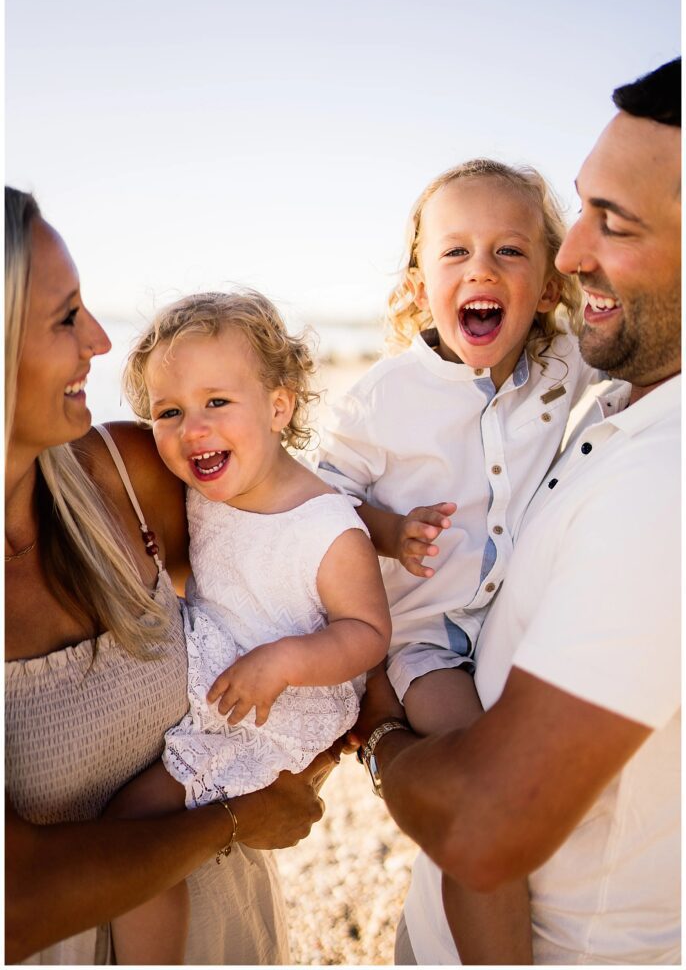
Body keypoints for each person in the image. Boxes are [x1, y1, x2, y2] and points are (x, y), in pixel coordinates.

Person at [350, 56, 681, 964]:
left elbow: (485, 827)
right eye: (581, 212)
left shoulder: (665, 477)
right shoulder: (617, 393)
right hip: (431, 924)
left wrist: (377, 729)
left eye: (611, 223)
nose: (574, 253)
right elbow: (322, 490)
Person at [5, 188, 337, 965]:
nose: (97, 340)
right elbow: (10, 905)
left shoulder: (130, 476)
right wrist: (235, 820)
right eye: (64, 318)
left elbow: (302, 557)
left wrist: (360, 716)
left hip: (224, 937)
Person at [317, 157, 600, 962]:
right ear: (417, 283)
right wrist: (383, 526)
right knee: (478, 797)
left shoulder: (560, 365)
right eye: (456, 252)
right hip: (429, 638)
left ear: (548, 285)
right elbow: (320, 500)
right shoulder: (384, 395)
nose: (482, 268)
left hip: (520, 619)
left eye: (511, 252)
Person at [102, 290, 392, 963]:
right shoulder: (210, 493)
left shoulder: (325, 527)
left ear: (279, 407)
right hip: (220, 660)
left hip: (277, 701)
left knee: (135, 825)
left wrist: (287, 660)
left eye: (216, 403)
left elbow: (367, 633)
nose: (191, 428)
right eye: (169, 412)